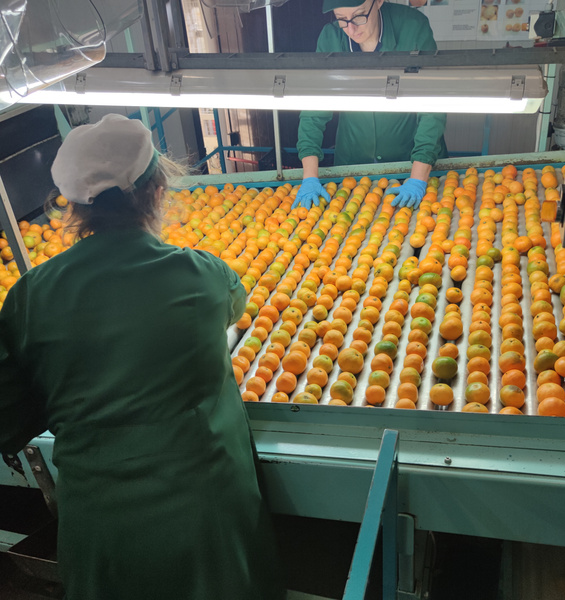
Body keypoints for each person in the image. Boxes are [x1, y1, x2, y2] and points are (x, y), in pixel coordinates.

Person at [0, 114, 284, 600]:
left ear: (74, 208)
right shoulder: (201, 273)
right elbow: (235, 307)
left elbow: (8, 418)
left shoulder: (30, 295)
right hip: (207, 520)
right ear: (157, 190)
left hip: (103, 527)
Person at [295, 0, 447, 210]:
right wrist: (310, 177)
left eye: (359, 16)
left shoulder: (412, 27)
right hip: (353, 164)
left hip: (412, 162)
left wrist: (418, 177)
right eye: (341, 19)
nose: (351, 29)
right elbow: (314, 110)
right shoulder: (331, 38)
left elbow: (432, 106)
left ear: (379, 2)